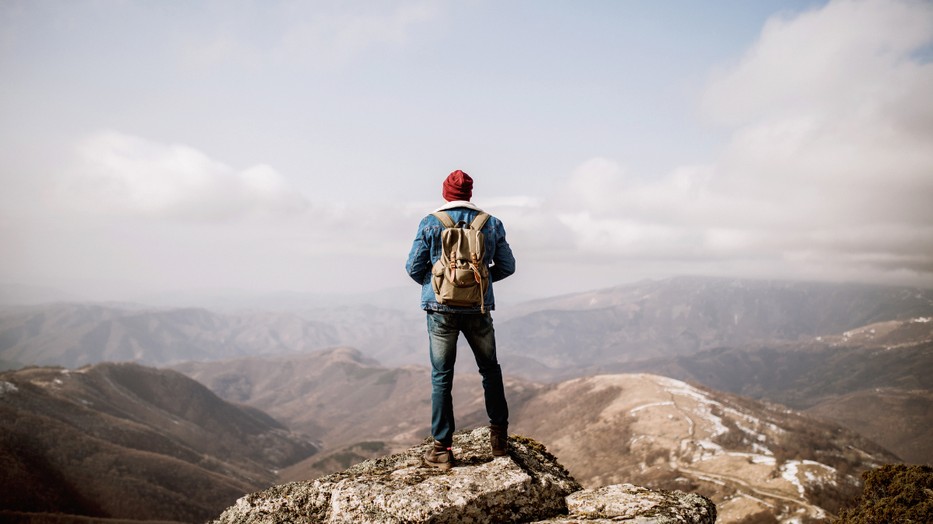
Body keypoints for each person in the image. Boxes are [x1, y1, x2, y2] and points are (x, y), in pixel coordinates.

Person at [405, 169, 516, 470]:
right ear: (469, 193)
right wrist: (477, 284)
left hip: (440, 310)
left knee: (442, 375)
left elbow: (413, 267)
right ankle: (500, 442)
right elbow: (507, 266)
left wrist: (440, 285)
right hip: (478, 308)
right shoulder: (490, 224)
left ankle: (442, 449)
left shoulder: (430, 222)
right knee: (489, 370)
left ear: (445, 193)